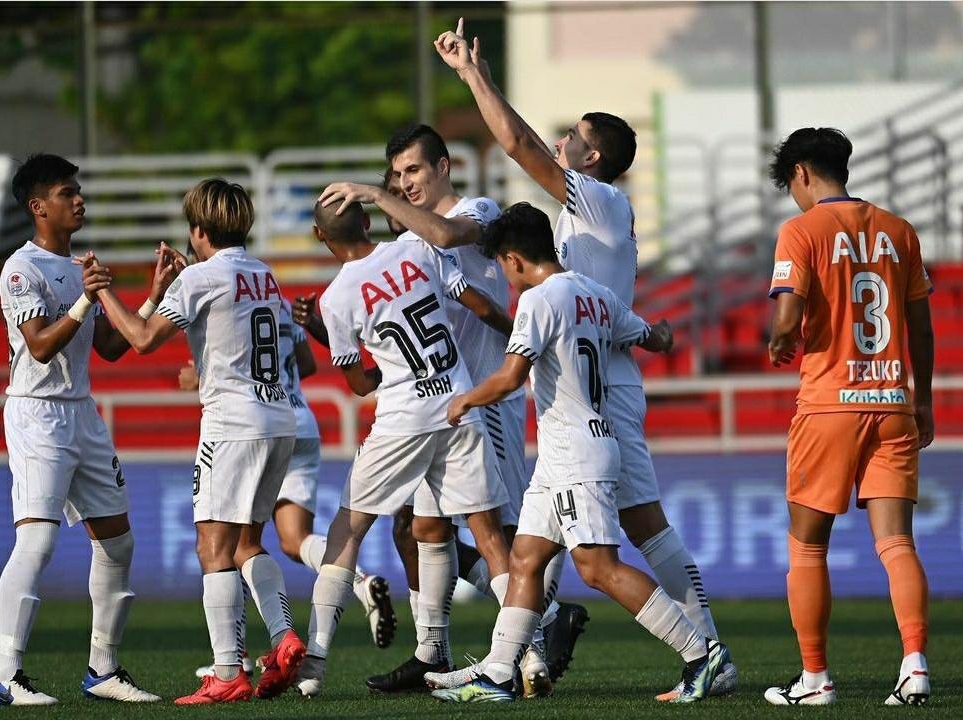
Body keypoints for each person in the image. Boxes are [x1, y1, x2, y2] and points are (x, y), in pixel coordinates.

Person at [434, 19, 735, 698]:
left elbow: (515, 143)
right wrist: (653, 332)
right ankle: (498, 671)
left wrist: (471, 75)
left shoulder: (593, 201)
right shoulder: (580, 228)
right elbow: (636, 322)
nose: (561, 142)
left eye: (573, 137)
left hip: (592, 401)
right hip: (594, 387)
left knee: (612, 551)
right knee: (537, 551)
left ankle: (705, 652)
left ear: (592, 159)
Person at [317, 124, 573, 696]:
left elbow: (461, 267)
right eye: (397, 176)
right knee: (422, 527)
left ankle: (537, 639)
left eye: (414, 171)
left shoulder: (475, 212)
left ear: (443, 167)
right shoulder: (408, 246)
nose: (405, 183)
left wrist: (528, 350)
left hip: (487, 397)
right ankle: (433, 652)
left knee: (496, 529)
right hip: (443, 405)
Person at [294, 199, 514, 698]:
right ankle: (528, 649)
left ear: (319, 235)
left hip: (401, 419)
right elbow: (479, 304)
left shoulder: (336, 298)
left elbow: (357, 383)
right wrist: (522, 340)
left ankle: (315, 663)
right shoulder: (418, 251)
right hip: (458, 405)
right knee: (486, 536)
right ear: (368, 221)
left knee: (347, 530)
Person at [96, 179, 305, 705]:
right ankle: (282, 639)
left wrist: (101, 290)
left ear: (198, 230)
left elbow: (141, 341)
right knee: (247, 543)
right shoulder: (263, 272)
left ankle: (227, 672)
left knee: (213, 550)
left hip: (231, 425)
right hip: (280, 418)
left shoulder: (201, 278)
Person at [764, 127, 934, 707]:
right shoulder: (898, 230)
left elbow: (787, 316)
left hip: (831, 405)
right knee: (897, 543)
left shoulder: (801, 230)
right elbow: (921, 326)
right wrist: (924, 400)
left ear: (803, 174)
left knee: (808, 548)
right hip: (892, 403)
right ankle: (914, 665)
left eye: (790, 184)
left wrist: (778, 342)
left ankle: (815, 679)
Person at [0, 153, 161, 706]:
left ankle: (102, 669)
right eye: (67, 192)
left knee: (118, 542)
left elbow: (110, 347)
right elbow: (39, 348)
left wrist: (154, 291)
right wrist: (86, 296)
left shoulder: (80, 263)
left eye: (78, 190)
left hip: (82, 412)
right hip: (37, 414)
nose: (78, 199)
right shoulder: (21, 269)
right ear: (38, 207)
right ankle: (6, 677)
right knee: (36, 541)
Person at [178, 294, 397, 682]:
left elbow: (235, 366)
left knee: (231, 542)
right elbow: (309, 364)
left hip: (255, 423)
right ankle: (360, 582)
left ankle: (239, 655)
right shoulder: (273, 299)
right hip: (299, 421)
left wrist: (197, 376)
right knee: (293, 541)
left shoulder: (223, 302)